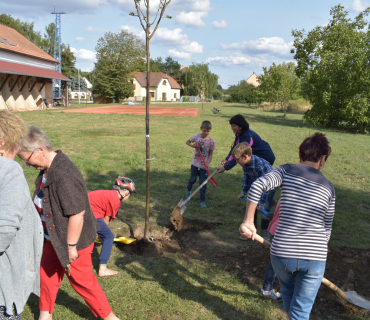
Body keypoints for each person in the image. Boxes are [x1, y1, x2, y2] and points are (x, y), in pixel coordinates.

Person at [18, 126, 120, 320]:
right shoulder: (48, 168)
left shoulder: (64, 175)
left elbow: (77, 214)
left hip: (74, 242)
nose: (27, 165)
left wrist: (71, 247)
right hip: (51, 239)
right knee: (47, 276)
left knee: (82, 281)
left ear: (40, 150)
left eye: (26, 160)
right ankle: (44, 316)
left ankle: (109, 318)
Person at [240, 132, 335, 320]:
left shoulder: (286, 170)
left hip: (282, 254)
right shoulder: (329, 187)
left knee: (290, 300)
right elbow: (327, 227)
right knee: (301, 311)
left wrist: (248, 221)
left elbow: (258, 185)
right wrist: (320, 249)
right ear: (323, 160)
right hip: (314, 258)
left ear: (300, 156)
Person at [0, 111, 43, 320]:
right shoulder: (8, 169)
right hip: (3, 293)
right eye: (16, 141)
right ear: (1, 142)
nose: (18, 148)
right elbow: (4, 228)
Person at [88, 176, 136, 277]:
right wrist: (102, 235)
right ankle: (103, 269)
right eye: (129, 194)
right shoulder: (115, 200)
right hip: (90, 213)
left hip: (83, 211)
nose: (128, 197)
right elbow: (106, 220)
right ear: (125, 192)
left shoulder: (110, 194)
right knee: (109, 236)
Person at [232, 142, 275, 241]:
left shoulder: (259, 165)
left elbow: (266, 186)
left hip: (270, 187)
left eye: (237, 159)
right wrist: (243, 192)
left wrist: (262, 202)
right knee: (252, 206)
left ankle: (265, 231)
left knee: (265, 208)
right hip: (257, 185)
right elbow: (247, 179)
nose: (236, 162)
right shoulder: (246, 164)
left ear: (245, 156)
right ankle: (250, 230)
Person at [185, 120, 215, 208]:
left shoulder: (211, 141)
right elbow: (187, 142)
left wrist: (207, 163)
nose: (206, 132)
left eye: (208, 131)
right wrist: (193, 146)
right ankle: (188, 190)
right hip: (195, 164)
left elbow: (210, 154)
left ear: (210, 130)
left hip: (203, 167)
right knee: (192, 180)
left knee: (203, 183)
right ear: (201, 129)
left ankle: (202, 201)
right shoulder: (196, 137)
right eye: (204, 130)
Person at [260, 199, 282, 301]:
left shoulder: (286, 195)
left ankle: (267, 289)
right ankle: (267, 290)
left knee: (276, 262)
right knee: (276, 263)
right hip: (282, 234)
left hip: (276, 230)